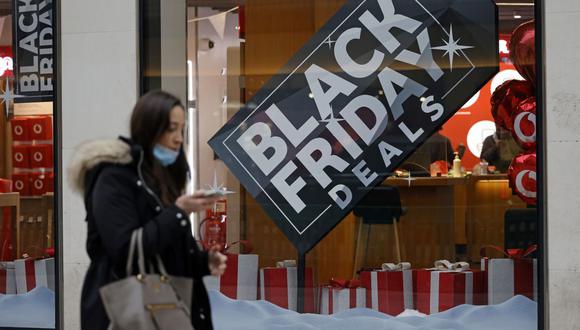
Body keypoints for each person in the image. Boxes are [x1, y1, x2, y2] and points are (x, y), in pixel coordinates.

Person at [69, 90, 227, 330]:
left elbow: (165, 251)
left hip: (167, 310)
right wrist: (178, 212)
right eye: (171, 129)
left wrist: (203, 262)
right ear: (149, 127)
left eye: (182, 130)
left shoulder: (160, 178)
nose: (178, 138)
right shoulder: (114, 177)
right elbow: (128, 251)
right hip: (125, 312)